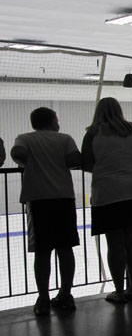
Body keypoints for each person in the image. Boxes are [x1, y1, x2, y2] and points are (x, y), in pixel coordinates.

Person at [82, 97, 132, 303]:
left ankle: (119, 290)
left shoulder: (94, 133)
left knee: (114, 244)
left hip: (108, 195)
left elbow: (86, 163)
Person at [11, 108, 81, 315]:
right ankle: (66, 294)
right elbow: (75, 160)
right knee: (65, 249)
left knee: (42, 252)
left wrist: (28, 163)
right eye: (57, 119)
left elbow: (17, 154)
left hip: (38, 200)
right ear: (52, 121)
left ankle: (43, 298)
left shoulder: (24, 138)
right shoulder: (65, 139)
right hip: (63, 198)